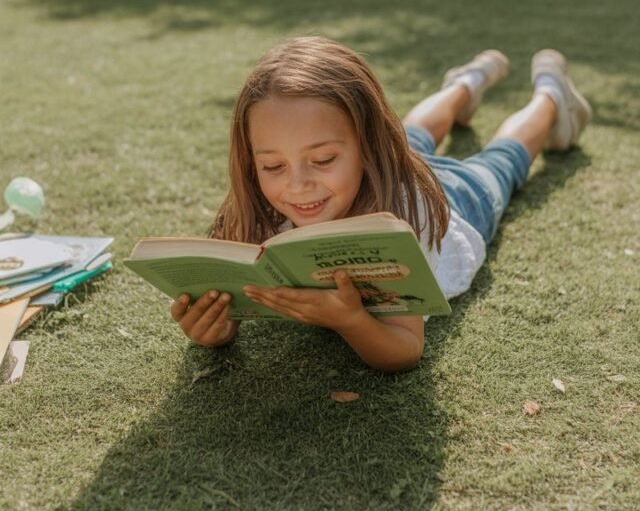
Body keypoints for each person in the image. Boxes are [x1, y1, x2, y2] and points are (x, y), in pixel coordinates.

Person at [170, 38, 591, 372]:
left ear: (369, 149)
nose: (298, 184)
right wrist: (216, 329)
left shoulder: (405, 218)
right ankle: (466, 83)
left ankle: (551, 96)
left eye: (322, 160)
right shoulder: (257, 202)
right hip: (387, 167)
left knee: (502, 160)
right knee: (416, 133)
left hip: (453, 201)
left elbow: (405, 349)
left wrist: (350, 320)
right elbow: (229, 304)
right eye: (273, 164)